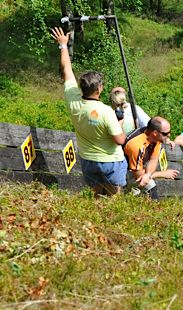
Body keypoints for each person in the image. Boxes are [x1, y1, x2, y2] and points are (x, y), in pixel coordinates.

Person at [50, 27, 126, 197]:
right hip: (110, 160)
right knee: (114, 199)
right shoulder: (106, 111)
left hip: (88, 160)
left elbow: (66, 70)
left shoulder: (73, 100)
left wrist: (63, 45)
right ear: (99, 88)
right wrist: (120, 122)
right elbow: (119, 139)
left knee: (98, 198)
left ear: (82, 87)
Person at [123, 117, 179, 199]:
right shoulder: (137, 145)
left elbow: (153, 159)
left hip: (139, 168)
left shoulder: (155, 138)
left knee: (148, 187)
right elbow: (139, 176)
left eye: (169, 132)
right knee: (151, 189)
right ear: (155, 133)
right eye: (165, 134)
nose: (169, 135)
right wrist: (163, 174)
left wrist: (148, 174)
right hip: (126, 172)